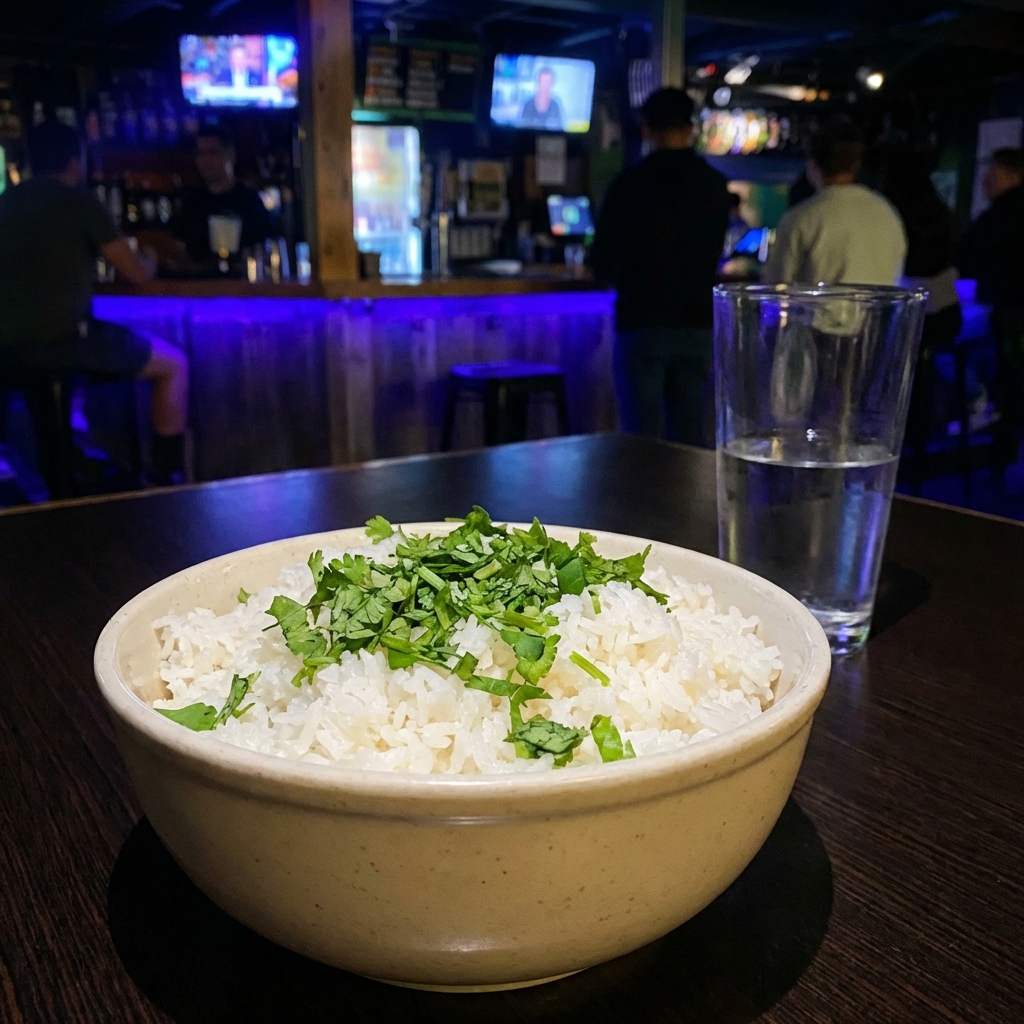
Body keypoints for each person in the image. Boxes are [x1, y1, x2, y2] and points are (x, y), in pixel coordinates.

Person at [0, 122, 188, 485]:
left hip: (6, 351)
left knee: (63, 377)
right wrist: (149, 258)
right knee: (174, 365)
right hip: (64, 341)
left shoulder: (5, 203)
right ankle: (169, 482)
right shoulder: (78, 200)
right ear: (76, 161)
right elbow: (134, 273)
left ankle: (71, 467)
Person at [592, 88, 731, 446]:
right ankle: (685, 503)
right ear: (691, 128)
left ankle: (643, 503)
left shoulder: (629, 185)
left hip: (644, 322)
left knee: (641, 442)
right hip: (696, 323)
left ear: (646, 129)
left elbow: (603, 261)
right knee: (688, 440)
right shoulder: (715, 186)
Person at [879, 146, 963, 485]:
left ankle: (898, 458)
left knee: (898, 386)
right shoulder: (938, 208)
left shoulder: (890, 211)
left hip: (907, 315)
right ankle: (919, 455)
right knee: (921, 386)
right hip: (944, 309)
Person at [763, 116, 907, 287]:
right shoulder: (887, 214)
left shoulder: (801, 218)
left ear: (813, 165)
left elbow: (776, 290)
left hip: (818, 315)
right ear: (856, 164)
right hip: (875, 315)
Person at [956, 147, 1024, 468]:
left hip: (1011, 311)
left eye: (991, 173)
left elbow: (967, 258)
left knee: (1009, 379)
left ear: (1012, 175)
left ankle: (1003, 453)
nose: (985, 181)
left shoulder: (1000, 216)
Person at [174, 126, 271, 266]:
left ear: (230, 155)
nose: (205, 160)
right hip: (201, 284)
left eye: (212, 153)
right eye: (200, 153)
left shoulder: (249, 200)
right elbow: (180, 249)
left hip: (242, 284)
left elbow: (262, 247)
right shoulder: (191, 202)